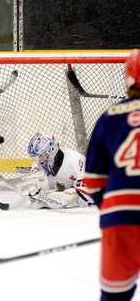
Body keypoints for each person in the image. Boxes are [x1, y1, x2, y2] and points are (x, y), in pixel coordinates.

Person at [84, 49, 140, 301]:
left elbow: (94, 179)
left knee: (115, 296)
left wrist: (110, 213)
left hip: (120, 215)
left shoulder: (110, 116)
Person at [6, 132, 94, 209]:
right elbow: (35, 191)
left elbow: (91, 193)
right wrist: (35, 195)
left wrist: (69, 195)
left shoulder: (75, 161)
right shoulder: (40, 163)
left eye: (41, 155)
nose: (39, 160)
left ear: (52, 150)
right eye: (38, 156)